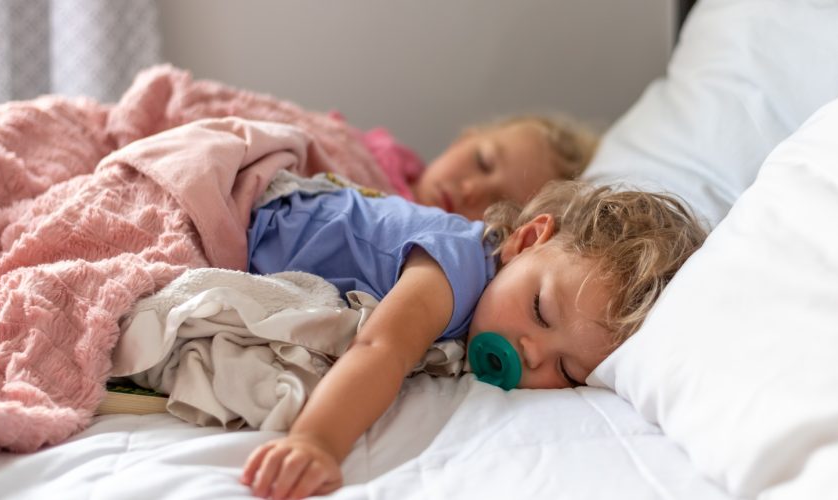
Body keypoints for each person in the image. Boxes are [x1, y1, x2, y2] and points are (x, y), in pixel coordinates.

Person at [239, 179, 707, 499]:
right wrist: (317, 442)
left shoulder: (498, 300)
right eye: (540, 310)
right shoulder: (453, 271)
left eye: (567, 371)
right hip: (258, 220)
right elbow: (380, 350)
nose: (532, 353)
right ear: (525, 242)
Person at [364, 113, 599, 220]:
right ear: (464, 139)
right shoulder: (370, 154)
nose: (471, 190)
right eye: (483, 163)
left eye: (499, 203)